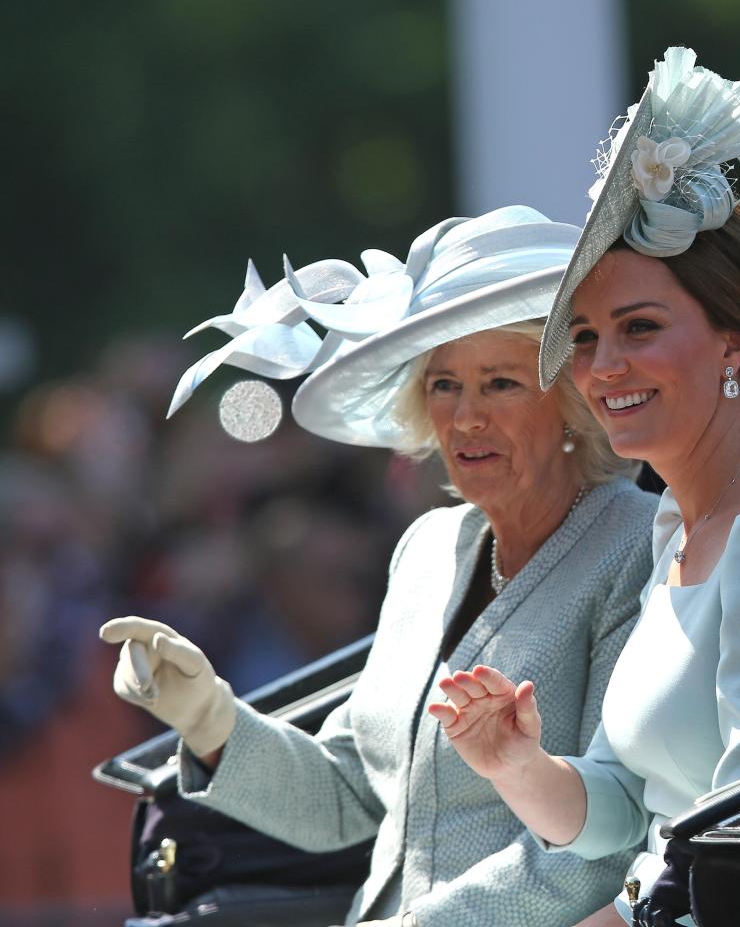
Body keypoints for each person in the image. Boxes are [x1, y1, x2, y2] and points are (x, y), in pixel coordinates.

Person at [100, 206, 659, 927]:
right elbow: (352, 798)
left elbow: (611, 841)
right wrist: (211, 720)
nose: (463, 418)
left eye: (500, 384)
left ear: (573, 400)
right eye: (443, 385)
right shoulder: (427, 548)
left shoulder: (638, 544)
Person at [429, 48, 740, 927]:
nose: (604, 369)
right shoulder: (677, 522)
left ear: (731, 341)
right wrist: (514, 762)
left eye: (640, 328)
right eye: (590, 338)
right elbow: (621, 808)